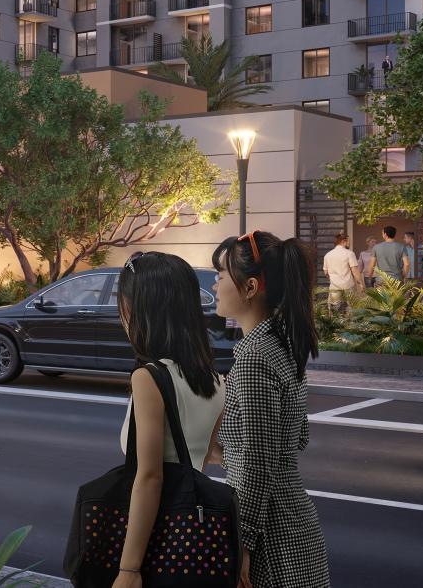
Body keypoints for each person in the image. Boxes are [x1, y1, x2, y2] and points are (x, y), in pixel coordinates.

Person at [211, 231, 329, 588]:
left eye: (219, 275)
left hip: (270, 537)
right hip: (295, 525)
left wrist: (243, 542)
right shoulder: (282, 345)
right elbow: (297, 438)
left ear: (249, 287)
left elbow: (259, 461)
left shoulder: (253, 359)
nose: (215, 285)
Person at [112, 251, 226, 588]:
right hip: (189, 535)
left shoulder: (149, 378)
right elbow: (201, 458)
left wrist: (129, 570)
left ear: (137, 309)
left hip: (150, 539)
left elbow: (150, 478)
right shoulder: (216, 380)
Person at [322, 233, 363, 314]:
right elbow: (354, 270)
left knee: (335, 311)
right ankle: (350, 326)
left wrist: (332, 279)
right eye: (348, 241)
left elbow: (326, 272)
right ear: (344, 241)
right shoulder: (349, 253)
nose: (349, 243)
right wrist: (360, 283)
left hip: (334, 286)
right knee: (351, 309)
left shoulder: (328, 255)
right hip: (348, 285)